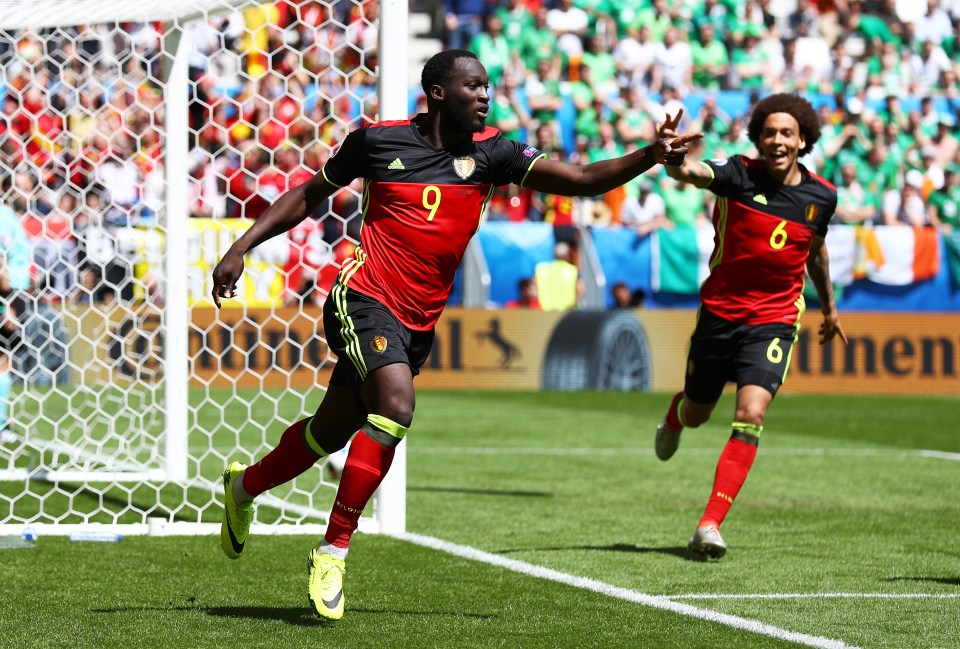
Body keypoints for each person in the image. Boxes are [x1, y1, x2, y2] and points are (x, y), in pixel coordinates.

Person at [211, 49, 700, 621]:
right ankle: (333, 549)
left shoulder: (494, 153)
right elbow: (306, 196)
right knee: (396, 406)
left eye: (488, 87)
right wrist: (240, 248)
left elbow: (584, 180)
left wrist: (651, 154)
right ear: (439, 93)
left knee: (330, 432)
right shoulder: (377, 142)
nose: (486, 96)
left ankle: (243, 487)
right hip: (362, 295)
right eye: (474, 87)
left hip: (420, 320)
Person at [651, 93, 847, 560]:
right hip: (720, 313)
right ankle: (675, 417)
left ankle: (710, 523)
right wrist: (673, 158)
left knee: (751, 413)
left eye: (786, 133)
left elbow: (815, 251)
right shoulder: (738, 173)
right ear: (757, 138)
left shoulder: (822, 196)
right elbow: (691, 172)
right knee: (699, 412)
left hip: (775, 319)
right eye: (769, 132)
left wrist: (830, 308)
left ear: (803, 141)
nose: (777, 140)